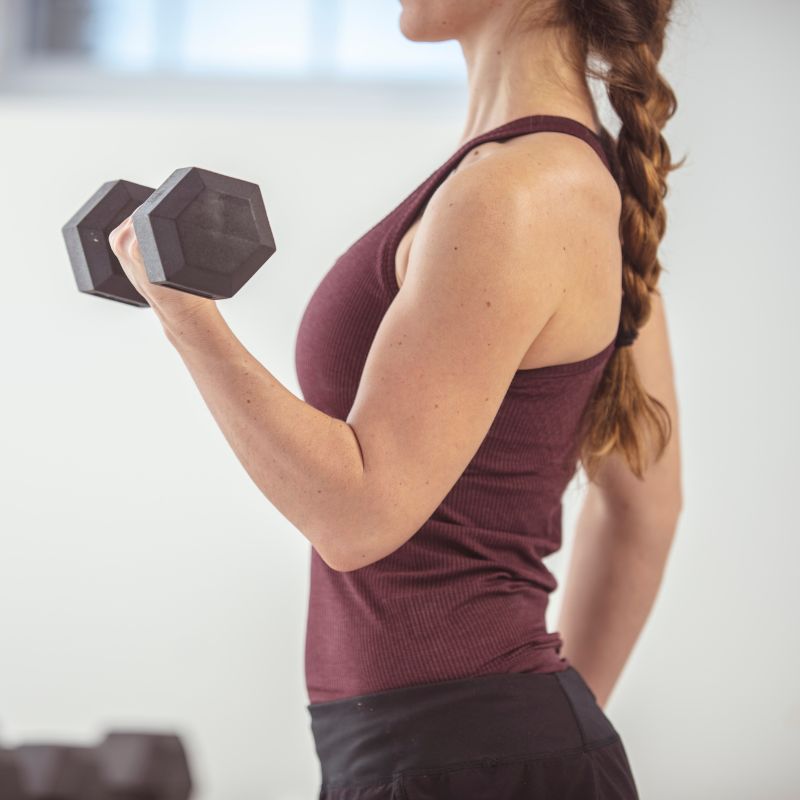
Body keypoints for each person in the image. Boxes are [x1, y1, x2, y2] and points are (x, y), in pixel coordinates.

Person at [110, 1, 684, 797]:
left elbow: (358, 516)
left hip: (452, 754)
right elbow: (644, 513)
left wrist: (185, 316)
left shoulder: (516, 191)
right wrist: (526, 738)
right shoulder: (556, 182)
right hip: (452, 754)